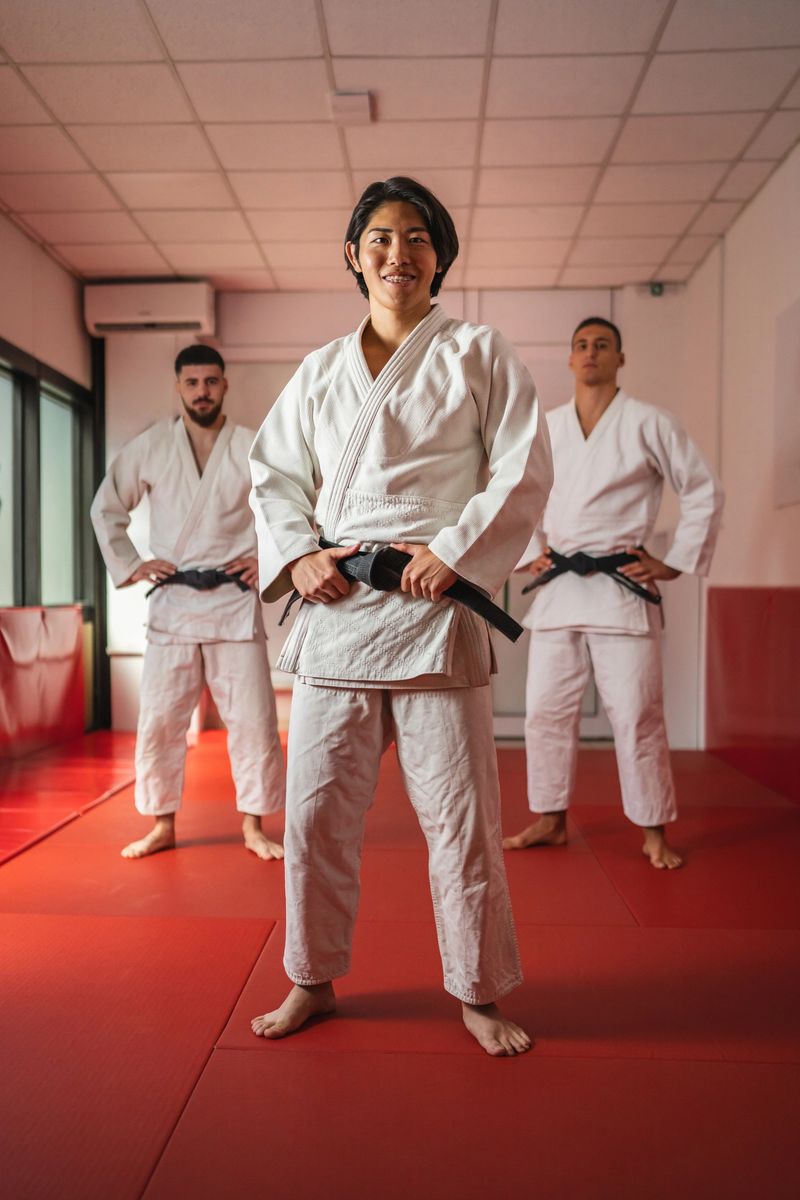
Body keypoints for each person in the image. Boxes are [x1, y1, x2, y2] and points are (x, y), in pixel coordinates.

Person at [248, 177, 553, 1056]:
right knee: (313, 819)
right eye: (380, 237)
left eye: (417, 238)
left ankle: (479, 988)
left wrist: (456, 551)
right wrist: (301, 555)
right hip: (340, 609)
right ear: (354, 254)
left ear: (440, 256)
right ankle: (312, 977)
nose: (398, 254)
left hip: (432, 609)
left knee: (459, 821)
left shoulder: (478, 353)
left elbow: (522, 465)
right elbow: (274, 478)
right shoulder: (317, 371)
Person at [504, 317, 724, 869]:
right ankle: (551, 819)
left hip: (621, 587)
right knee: (546, 713)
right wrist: (533, 550)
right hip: (559, 593)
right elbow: (520, 495)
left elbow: (702, 489)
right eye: (582, 345)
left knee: (636, 714)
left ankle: (654, 830)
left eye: (602, 345)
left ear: (620, 358)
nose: (591, 353)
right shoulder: (548, 427)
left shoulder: (650, 423)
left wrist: (671, 563)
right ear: (571, 358)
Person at [90, 345, 285, 861]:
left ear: (225, 385)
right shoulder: (152, 447)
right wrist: (132, 563)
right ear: (179, 387)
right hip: (174, 605)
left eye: (211, 381)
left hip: (232, 602)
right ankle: (162, 824)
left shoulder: (251, 447)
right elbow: (106, 507)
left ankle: (253, 824)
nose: (202, 391)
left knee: (253, 719)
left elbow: (288, 512)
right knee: (160, 718)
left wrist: (269, 560)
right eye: (192, 382)